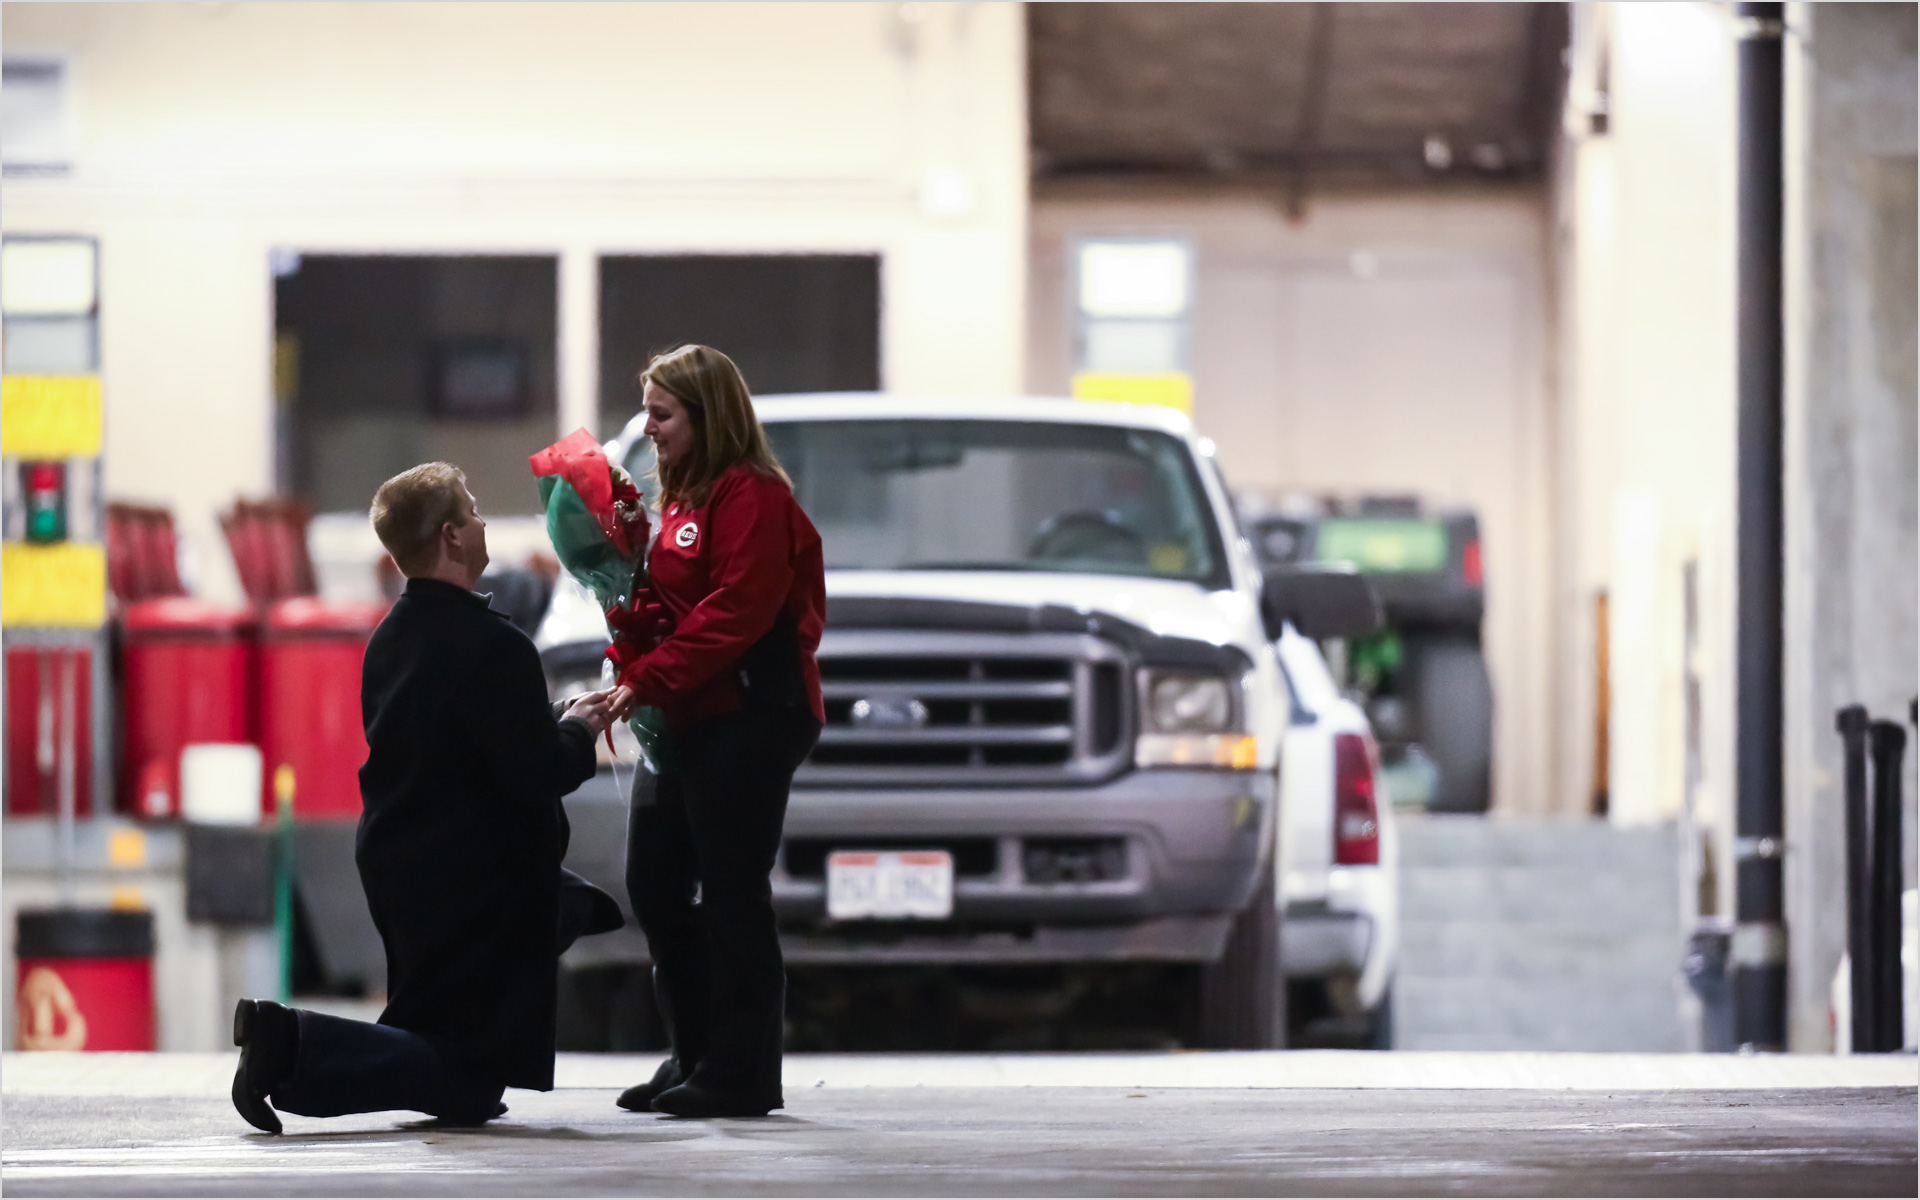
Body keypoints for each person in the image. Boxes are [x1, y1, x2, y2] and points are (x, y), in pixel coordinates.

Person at [230, 463, 629, 1134]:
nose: (480, 524)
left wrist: (551, 717)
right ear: (450, 535)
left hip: (405, 865)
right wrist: (580, 727)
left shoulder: (393, 636)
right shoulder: (495, 646)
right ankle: (285, 1041)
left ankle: (291, 1047)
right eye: (472, 512)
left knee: (456, 1068)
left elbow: (462, 743)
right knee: (461, 1077)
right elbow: (535, 771)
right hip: (471, 880)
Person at [610, 345, 825, 1119]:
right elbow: (672, 605)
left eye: (663, 415)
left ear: (710, 417)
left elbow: (736, 613)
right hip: (683, 715)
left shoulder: (752, 497)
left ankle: (742, 1071)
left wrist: (642, 679)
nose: (650, 428)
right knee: (656, 884)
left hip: (750, 714)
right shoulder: (684, 497)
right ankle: (694, 1053)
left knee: (732, 893)